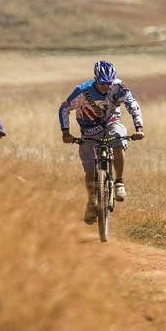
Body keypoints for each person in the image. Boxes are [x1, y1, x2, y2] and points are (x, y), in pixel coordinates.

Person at [58, 60, 144, 225]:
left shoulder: (119, 87)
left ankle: (119, 182)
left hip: (111, 122)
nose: (106, 87)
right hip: (88, 130)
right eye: (103, 83)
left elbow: (133, 105)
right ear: (95, 79)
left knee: (118, 141)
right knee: (90, 171)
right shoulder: (83, 91)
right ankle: (91, 203)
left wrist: (139, 128)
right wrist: (66, 132)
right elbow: (64, 108)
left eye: (109, 83)